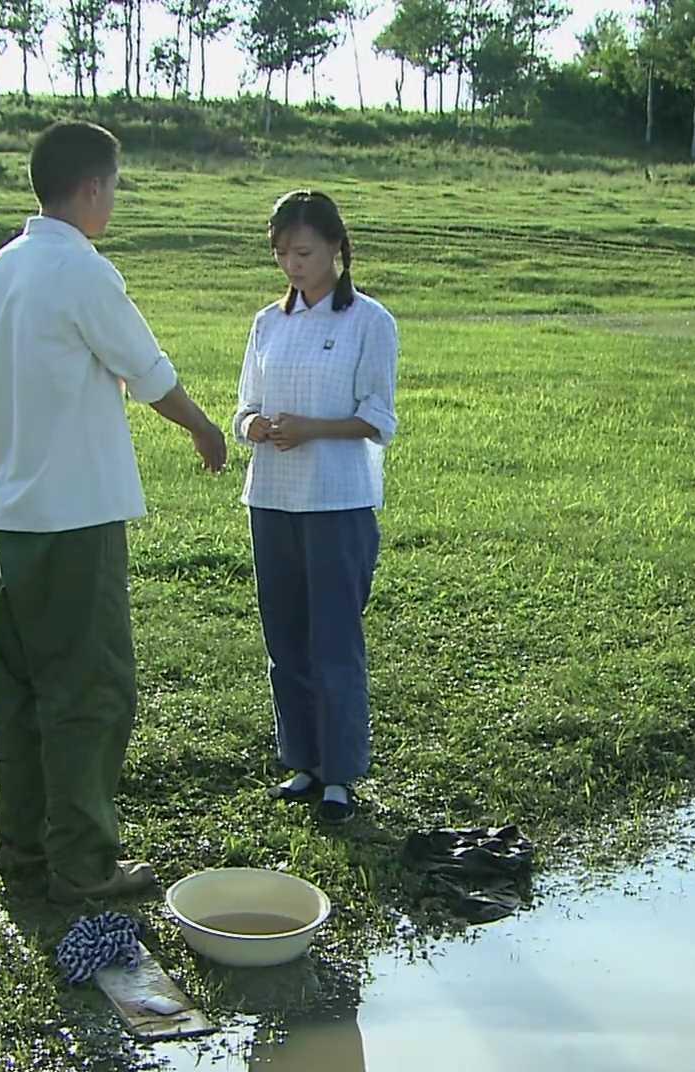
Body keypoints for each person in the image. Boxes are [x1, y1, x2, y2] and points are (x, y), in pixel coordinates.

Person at [0, 120, 228, 902]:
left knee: (22, 692)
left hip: (8, 517)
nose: (114, 200)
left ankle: (22, 847)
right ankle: (82, 864)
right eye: (113, 187)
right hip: (74, 521)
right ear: (90, 188)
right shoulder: (82, 271)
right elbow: (148, 372)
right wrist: (203, 427)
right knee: (88, 691)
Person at [233, 190, 399, 826]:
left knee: (334, 639)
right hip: (272, 499)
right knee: (285, 637)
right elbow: (245, 405)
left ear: (335, 248)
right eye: (281, 254)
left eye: (302, 252)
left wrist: (311, 429)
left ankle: (340, 773)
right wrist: (252, 427)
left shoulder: (369, 322)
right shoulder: (267, 323)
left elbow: (377, 419)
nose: (292, 265)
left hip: (338, 500)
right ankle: (301, 761)